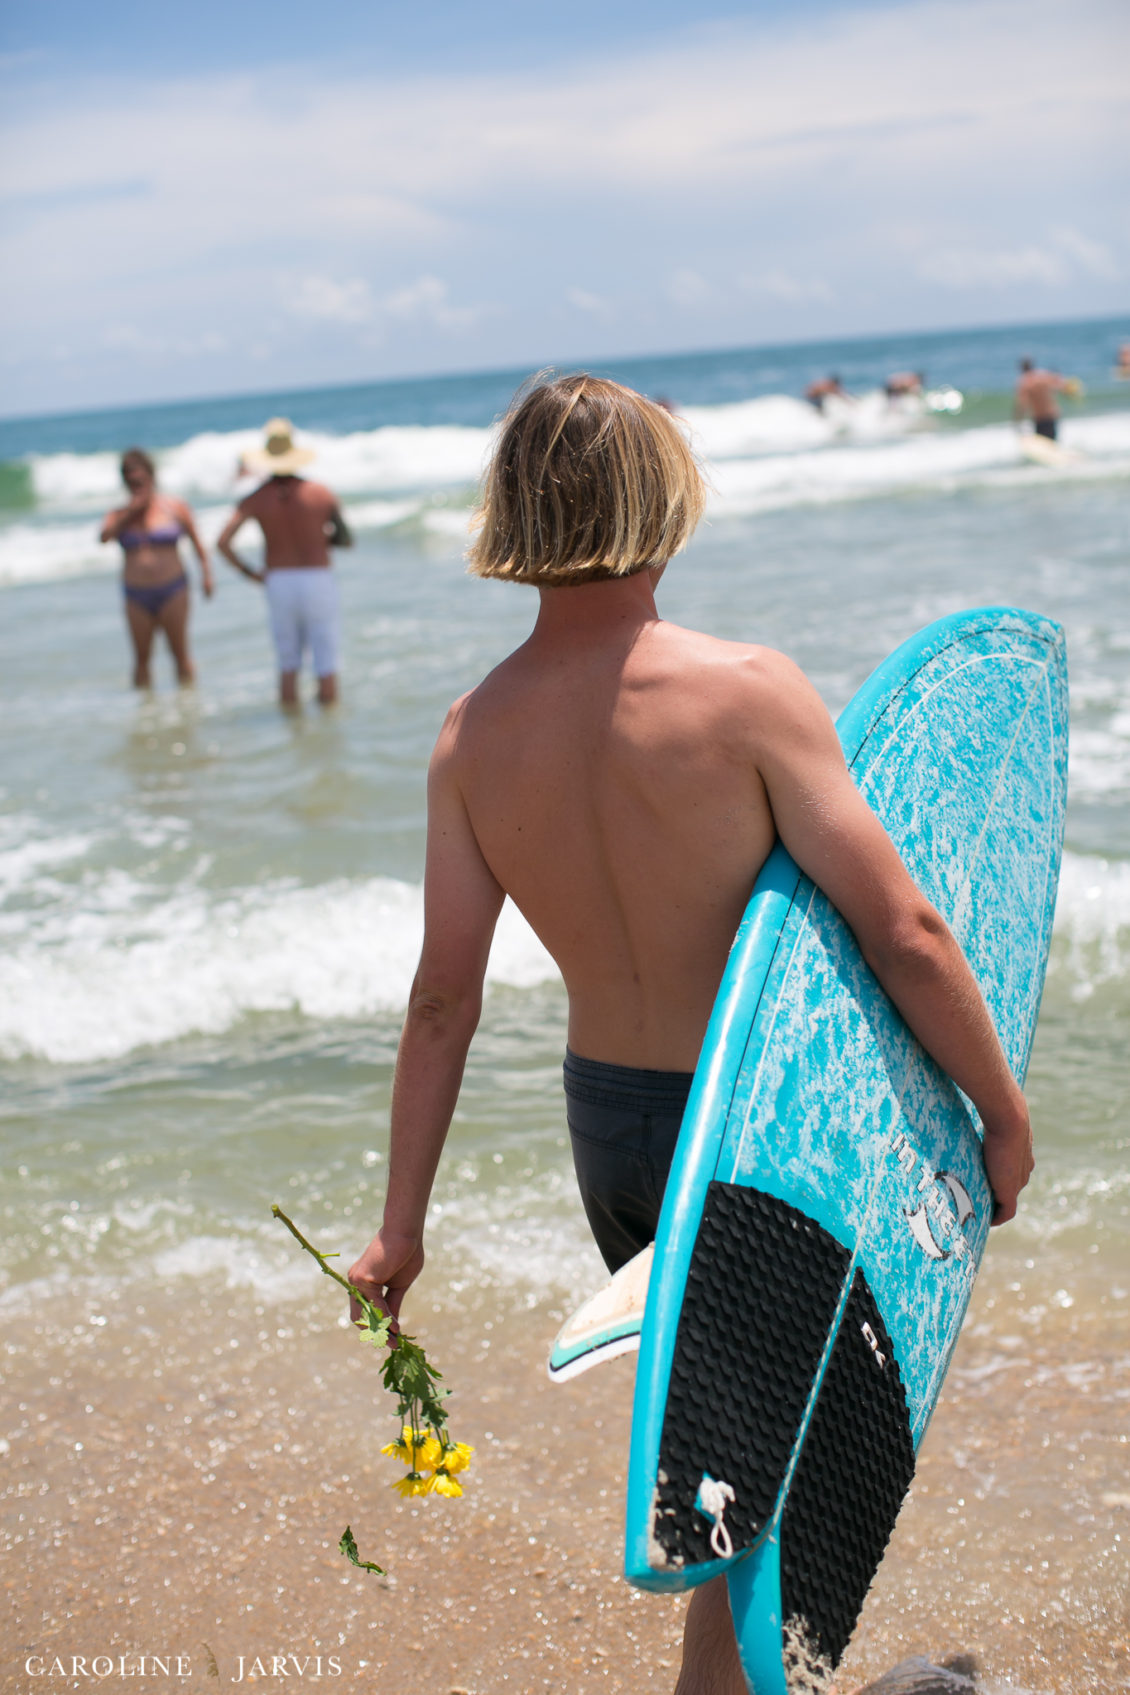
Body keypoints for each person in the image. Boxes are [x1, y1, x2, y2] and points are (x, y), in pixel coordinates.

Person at [346, 375, 1033, 1694]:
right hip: (762, 1128)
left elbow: (442, 1001)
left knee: (734, 1481)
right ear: (663, 498)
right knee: (760, 1497)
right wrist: (997, 1110)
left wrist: (399, 1227)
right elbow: (904, 928)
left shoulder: (469, 737)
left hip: (613, 1134)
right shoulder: (744, 691)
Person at [216, 419, 352, 706]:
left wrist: (250, 573)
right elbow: (346, 539)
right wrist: (318, 540)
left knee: (288, 659)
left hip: (278, 581)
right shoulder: (320, 493)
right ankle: (327, 724)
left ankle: (292, 723)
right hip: (317, 578)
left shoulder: (255, 498)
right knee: (325, 658)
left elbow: (223, 542)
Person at [100, 448, 212, 689]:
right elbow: (104, 537)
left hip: (173, 589)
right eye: (131, 482)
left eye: (140, 481)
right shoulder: (119, 513)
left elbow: (198, 544)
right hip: (136, 594)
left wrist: (206, 576)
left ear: (151, 477)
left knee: (180, 654)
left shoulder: (174, 507)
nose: (136, 486)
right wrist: (131, 512)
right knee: (141, 660)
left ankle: (188, 704)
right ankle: (145, 708)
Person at [1013, 358, 1081, 441]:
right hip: (1052, 416)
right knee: (1052, 442)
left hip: (1040, 419)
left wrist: (1017, 422)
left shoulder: (1025, 382)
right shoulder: (1043, 376)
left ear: (1021, 368)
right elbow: (1061, 384)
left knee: (1043, 444)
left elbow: (1022, 404)